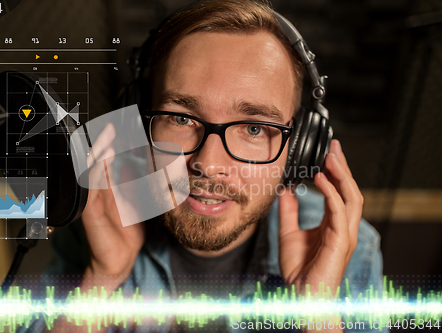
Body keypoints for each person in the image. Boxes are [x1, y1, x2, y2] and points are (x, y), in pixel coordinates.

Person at [24, 0, 384, 332]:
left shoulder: (345, 248)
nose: (208, 165)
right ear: (139, 121)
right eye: (181, 119)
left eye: (254, 128)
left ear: (301, 145)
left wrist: (318, 315)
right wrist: (100, 280)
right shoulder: (96, 220)